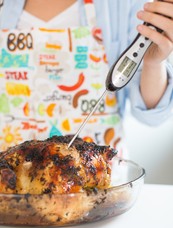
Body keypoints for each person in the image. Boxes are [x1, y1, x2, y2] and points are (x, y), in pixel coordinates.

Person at [0, 0, 173, 156]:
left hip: (104, 185)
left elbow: (151, 115)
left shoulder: (124, 4)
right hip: (7, 184)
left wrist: (153, 63)